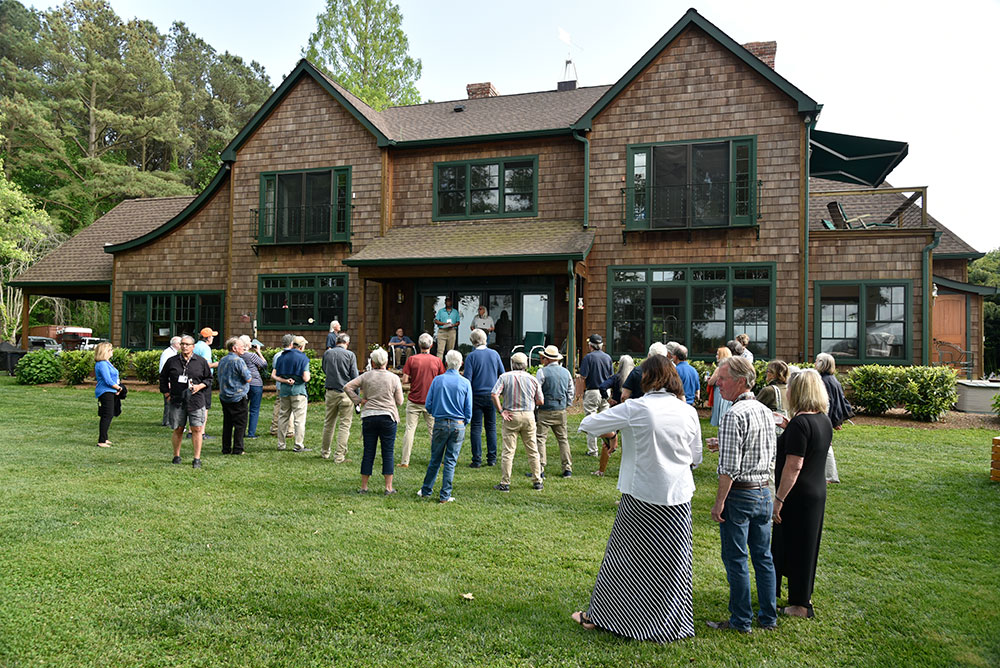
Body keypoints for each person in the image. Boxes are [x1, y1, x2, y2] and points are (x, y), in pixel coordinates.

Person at [573, 355, 702, 642]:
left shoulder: (636, 408)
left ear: (646, 378)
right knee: (673, 565)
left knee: (625, 561)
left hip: (642, 493)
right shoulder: (688, 411)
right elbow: (696, 457)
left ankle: (607, 617)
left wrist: (613, 432)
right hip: (678, 496)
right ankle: (671, 624)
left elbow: (588, 425)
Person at [707, 356, 778, 633]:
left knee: (736, 559)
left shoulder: (734, 414)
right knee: (763, 558)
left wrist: (719, 502)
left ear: (739, 381)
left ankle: (740, 620)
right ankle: (768, 617)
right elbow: (766, 451)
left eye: (722, 379)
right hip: (763, 491)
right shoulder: (763, 410)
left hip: (741, 495)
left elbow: (729, 469)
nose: (717, 383)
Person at [771, 369, 833, 620]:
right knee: (807, 546)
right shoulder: (822, 420)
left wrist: (779, 499)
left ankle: (799, 604)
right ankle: (801, 596)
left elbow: (794, 465)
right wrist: (788, 426)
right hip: (816, 491)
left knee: (794, 545)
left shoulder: (800, 423)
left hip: (797, 495)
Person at [344, 347, 403, 494]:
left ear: (373, 361)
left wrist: (358, 400)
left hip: (369, 415)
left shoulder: (366, 376)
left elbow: (347, 386)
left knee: (368, 451)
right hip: (388, 416)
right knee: (388, 452)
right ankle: (388, 487)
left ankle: (364, 487)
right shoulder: (394, 378)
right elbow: (400, 401)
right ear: (386, 361)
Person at [419, 349, 473, 503]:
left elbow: (428, 404)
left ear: (446, 363)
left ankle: (426, 490)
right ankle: (445, 495)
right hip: (458, 424)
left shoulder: (438, 380)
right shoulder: (465, 382)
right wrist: (464, 422)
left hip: (440, 422)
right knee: (450, 461)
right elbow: (468, 408)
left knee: (435, 459)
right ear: (461, 363)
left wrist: (436, 411)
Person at [491, 352, 544, 492]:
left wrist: (501, 410)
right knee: (533, 450)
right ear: (526, 364)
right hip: (528, 415)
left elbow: (494, 393)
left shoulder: (505, 377)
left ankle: (505, 482)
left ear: (512, 364)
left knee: (508, 451)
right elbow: (541, 400)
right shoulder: (533, 379)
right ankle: (537, 480)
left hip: (511, 415)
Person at [160, 335, 212, 468]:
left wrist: (199, 386)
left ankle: (197, 458)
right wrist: (167, 394)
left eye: (187, 344)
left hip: (196, 400)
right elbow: (163, 378)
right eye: (182, 344)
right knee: (178, 428)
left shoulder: (201, 362)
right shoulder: (172, 361)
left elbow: (209, 379)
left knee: (197, 428)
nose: (184, 346)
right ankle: (176, 456)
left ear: (193, 346)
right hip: (177, 400)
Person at [399, 333, 445, 467]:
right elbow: (441, 380)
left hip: (414, 399)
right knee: (433, 431)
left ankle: (404, 461)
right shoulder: (437, 361)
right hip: (431, 401)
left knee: (410, 430)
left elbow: (405, 380)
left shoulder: (412, 359)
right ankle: (436, 461)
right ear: (431, 345)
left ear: (419, 345)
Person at [462, 328, 504, 468]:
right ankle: (492, 458)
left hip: (476, 395)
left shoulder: (471, 357)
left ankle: (477, 460)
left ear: (472, 341)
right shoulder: (494, 354)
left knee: (476, 427)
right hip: (492, 395)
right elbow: (502, 374)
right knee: (491, 427)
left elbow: (467, 379)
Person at [534, 345, 574, 478]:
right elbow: (571, 391)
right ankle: (567, 468)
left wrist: (536, 406)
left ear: (546, 359)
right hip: (560, 409)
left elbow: (537, 391)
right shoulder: (566, 372)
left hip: (545, 410)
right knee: (563, 439)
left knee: (540, 439)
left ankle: (540, 468)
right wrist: (566, 404)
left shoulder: (542, 372)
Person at [593, 354, 634, 476]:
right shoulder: (635, 378)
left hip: (617, 411)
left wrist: (608, 399)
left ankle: (601, 470)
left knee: (606, 441)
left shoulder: (616, 378)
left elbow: (602, 386)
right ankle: (628, 470)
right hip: (632, 412)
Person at [321, 332, 358, 462]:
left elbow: (324, 369)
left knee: (329, 423)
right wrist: (356, 396)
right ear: (347, 343)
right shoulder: (350, 355)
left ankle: (325, 452)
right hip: (346, 393)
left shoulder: (327, 353)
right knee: (344, 425)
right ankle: (339, 456)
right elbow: (355, 377)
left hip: (331, 391)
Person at [272, 335, 311, 453]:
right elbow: (306, 378)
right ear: (301, 346)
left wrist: (285, 380)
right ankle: (298, 445)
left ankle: (281, 444)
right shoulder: (303, 358)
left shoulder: (281, 357)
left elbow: (273, 375)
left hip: (284, 390)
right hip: (298, 390)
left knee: (283, 416)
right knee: (299, 419)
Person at [815, 352, 849, 484]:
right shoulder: (832, 379)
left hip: (825, 418)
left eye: (817, 361)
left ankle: (830, 476)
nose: (814, 363)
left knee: (826, 446)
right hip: (828, 419)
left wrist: (831, 421)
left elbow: (831, 404)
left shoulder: (824, 381)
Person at [576, 334, 612, 456]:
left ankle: (593, 450)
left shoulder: (588, 358)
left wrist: (579, 393)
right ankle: (608, 446)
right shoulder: (608, 357)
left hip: (593, 391)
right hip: (606, 391)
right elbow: (611, 376)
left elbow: (583, 376)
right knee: (605, 421)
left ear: (590, 345)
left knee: (591, 420)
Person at [217, 337, 252, 455]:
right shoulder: (238, 361)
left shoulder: (222, 360)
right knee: (240, 424)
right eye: (242, 346)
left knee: (227, 424)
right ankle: (238, 449)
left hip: (224, 396)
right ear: (234, 348)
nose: (244, 348)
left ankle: (226, 448)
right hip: (238, 396)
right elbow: (248, 378)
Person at [94, 342, 123, 448]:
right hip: (105, 392)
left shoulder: (107, 363)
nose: (112, 351)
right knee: (107, 415)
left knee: (109, 415)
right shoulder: (101, 364)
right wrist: (118, 388)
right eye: (110, 350)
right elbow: (107, 380)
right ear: (104, 352)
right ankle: (101, 441)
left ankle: (105, 437)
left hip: (111, 391)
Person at [238, 335, 267, 439]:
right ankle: (251, 433)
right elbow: (264, 364)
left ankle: (241, 432)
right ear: (247, 344)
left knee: (243, 408)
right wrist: (258, 351)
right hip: (255, 384)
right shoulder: (251, 355)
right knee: (254, 409)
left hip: (242, 384)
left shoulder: (238, 356)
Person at [269, 337, 297, 439]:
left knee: (278, 405)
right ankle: (289, 430)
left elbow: (274, 369)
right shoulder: (294, 356)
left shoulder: (277, 355)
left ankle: (275, 428)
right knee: (290, 408)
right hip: (289, 385)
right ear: (291, 344)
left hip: (279, 385)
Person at [194, 327, 219, 437]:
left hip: (194, 377)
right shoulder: (206, 348)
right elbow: (206, 365)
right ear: (207, 338)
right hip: (204, 379)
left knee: (194, 404)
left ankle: (191, 431)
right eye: (212, 336)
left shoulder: (195, 346)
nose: (213, 338)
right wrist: (218, 363)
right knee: (205, 406)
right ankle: (202, 432)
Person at [708, 346, 735, 427]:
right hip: (730, 391)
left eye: (718, 354)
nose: (716, 356)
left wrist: (708, 380)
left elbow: (711, 382)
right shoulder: (732, 367)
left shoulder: (720, 368)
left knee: (720, 410)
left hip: (720, 392)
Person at [158, 336, 181, 426]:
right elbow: (163, 369)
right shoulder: (168, 353)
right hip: (169, 381)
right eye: (180, 343)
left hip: (171, 381)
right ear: (175, 344)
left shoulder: (172, 352)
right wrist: (168, 382)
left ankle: (168, 420)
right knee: (168, 401)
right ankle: (167, 421)